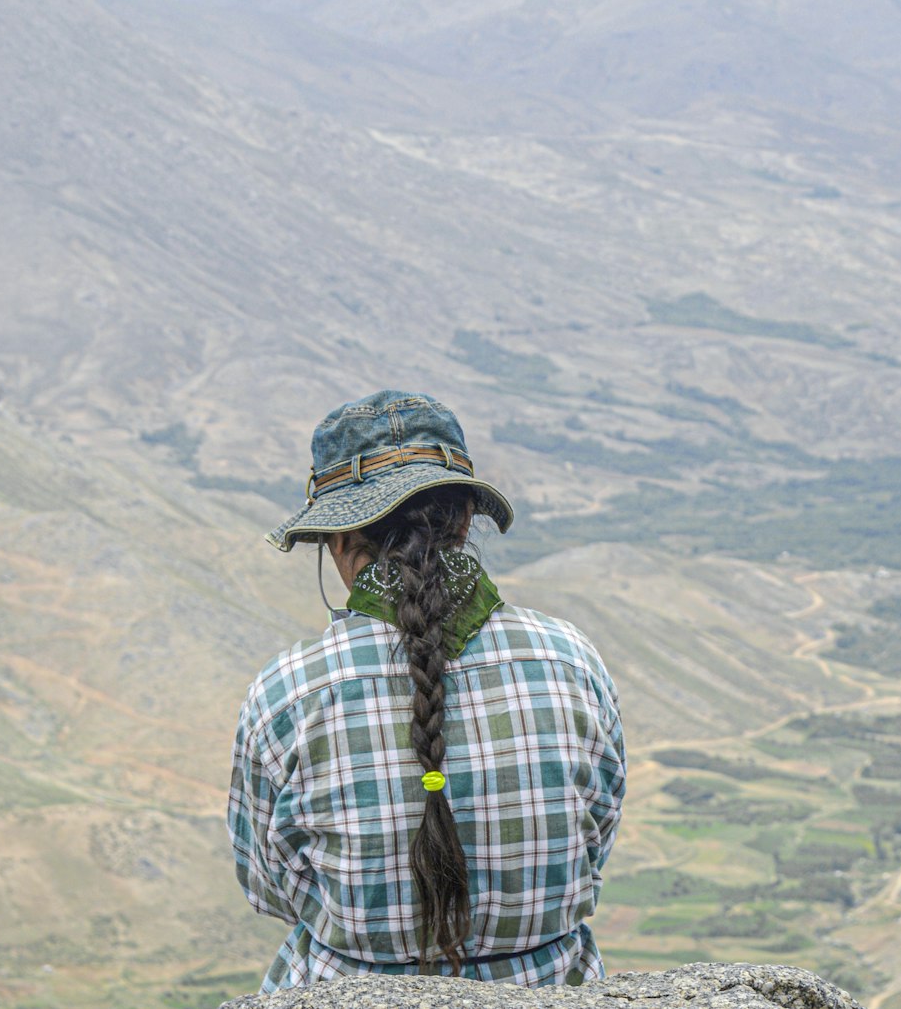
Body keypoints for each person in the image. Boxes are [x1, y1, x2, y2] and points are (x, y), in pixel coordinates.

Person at [227, 389, 625, 992]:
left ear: (336, 538)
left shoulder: (286, 693)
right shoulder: (571, 659)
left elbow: (270, 885)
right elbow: (595, 841)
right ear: (465, 519)